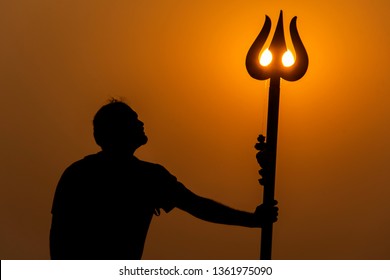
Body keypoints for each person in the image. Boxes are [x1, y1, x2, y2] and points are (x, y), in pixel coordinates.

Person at [50, 99, 278, 260]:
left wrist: (253, 220)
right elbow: (198, 206)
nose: (141, 124)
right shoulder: (142, 177)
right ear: (116, 131)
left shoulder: (79, 172)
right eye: (133, 120)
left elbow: (197, 205)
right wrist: (253, 220)